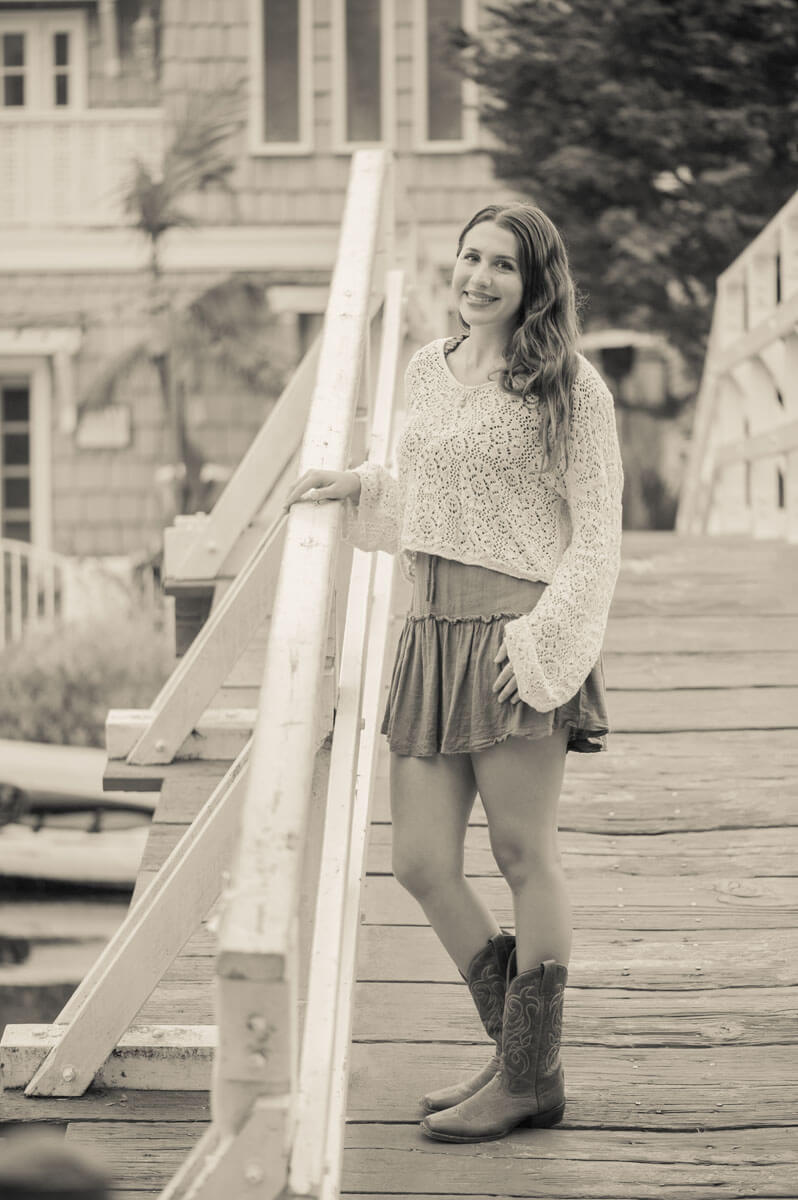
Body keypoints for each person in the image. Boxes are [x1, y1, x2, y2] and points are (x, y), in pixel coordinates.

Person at [282, 204, 624, 1143]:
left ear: (536, 281)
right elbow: (429, 490)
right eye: (471, 257)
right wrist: (362, 485)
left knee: (522, 855)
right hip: (430, 633)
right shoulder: (426, 368)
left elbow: (598, 536)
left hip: (516, 634)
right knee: (422, 862)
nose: (479, 277)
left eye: (503, 265)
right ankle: (525, 1062)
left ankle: (523, 1076)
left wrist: (544, 644)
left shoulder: (570, 386)